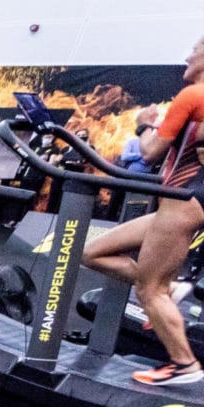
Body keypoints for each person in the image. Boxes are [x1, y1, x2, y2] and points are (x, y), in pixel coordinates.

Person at [83, 35, 204, 385]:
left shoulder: (192, 95)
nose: (186, 57)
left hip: (181, 202)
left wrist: (145, 123)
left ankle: (184, 366)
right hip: (182, 202)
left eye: (193, 53)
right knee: (94, 253)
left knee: (149, 291)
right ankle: (172, 290)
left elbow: (150, 152)